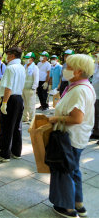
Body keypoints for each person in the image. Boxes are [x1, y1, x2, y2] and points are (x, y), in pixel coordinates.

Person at [48, 54, 95, 218]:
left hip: (70, 138)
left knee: (64, 171)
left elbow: (76, 118)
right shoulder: (81, 86)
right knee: (73, 170)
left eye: (68, 67)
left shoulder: (79, 90)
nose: (64, 69)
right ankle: (78, 203)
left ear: (78, 71)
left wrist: (55, 118)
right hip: (76, 137)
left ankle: (66, 207)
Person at [0, 47, 26, 162]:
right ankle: (16, 152)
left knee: (6, 128)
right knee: (16, 127)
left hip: (10, 99)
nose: (6, 56)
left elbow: (8, 88)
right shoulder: (21, 67)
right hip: (19, 98)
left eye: (8, 54)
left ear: (13, 55)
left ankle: (4, 154)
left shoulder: (11, 68)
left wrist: (4, 103)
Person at [22, 52, 39, 122]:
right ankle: (25, 117)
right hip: (23, 88)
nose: (26, 60)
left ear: (32, 59)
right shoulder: (24, 66)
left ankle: (32, 119)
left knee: (31, 105)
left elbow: (36, 78)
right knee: (24, 104)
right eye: (25, 59)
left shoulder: (35, 68)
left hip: (30, 89)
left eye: (27, 58)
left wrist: (34, 88)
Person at [91, 52, 99, 139]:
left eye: (97, 57)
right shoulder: (95, 66)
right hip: (95, 94)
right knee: (95, 114)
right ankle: (96, 132)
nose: (96, 59)